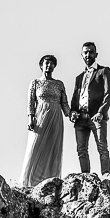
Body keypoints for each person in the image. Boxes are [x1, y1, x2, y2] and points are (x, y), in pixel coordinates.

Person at [19, 54, 67, 188]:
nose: (49, 65)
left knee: (53, 149)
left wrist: (73, 114)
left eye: (52, 63)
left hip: (56, 117)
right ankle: (28, 183)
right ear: (41, 65)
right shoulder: (35, 83)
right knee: (35, 148)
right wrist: (30, 117)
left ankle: (50, 181)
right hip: (40, 117)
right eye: (46, 63)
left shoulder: (59, 84)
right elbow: (31, 102)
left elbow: (65, 105)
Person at [69, 40, 110, 174]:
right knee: (81, 150)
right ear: (82, 55)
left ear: (96, 54)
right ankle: (86, 177)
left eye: (91, 52)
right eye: (85, 53)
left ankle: (106, 175)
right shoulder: (79, 77)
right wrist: (72, 112)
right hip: (80, 118)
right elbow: (75, 98)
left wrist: (101, 112)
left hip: (96, 116)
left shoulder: (103, 71)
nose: (88, 55)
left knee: (102, 147)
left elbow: (109, 93)